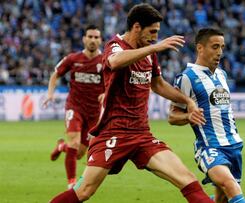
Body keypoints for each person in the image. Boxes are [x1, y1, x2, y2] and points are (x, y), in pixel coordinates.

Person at [49, 3, 214, 203]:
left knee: (187, 179)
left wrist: (187, 100)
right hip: (114, 133)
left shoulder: (148, 51)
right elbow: (116, 61)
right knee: (84, 191)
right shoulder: (115, 45)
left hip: (142, 135)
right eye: (152, 32)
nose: (155, 37)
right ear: (136, 27)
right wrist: (155, 46)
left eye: (157, 33)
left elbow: (158, 85)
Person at [168, 28, 245, 203]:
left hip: (234, 145)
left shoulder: (222, 74)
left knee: (222, 199)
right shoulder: (186, 77)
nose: (220, 52)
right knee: (231, 186)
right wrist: (188, 117)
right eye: (214, 47)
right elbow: (172, 116)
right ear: (200, 48)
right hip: (209, 146)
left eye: (222, 47)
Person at [43, 25, 104, 189]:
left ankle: (61, 146)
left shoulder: (105, 61)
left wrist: (106, 94)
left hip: (94, 113)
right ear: (84, 39)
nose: (92, 40)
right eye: (90, 36)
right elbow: (55, 74)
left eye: (96, 37)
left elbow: (113, 82)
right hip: (74, 107)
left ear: (100, 40)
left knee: (78, 153)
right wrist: (50, 93)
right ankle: (71, 184)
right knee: (75, 143)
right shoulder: (73, 58)